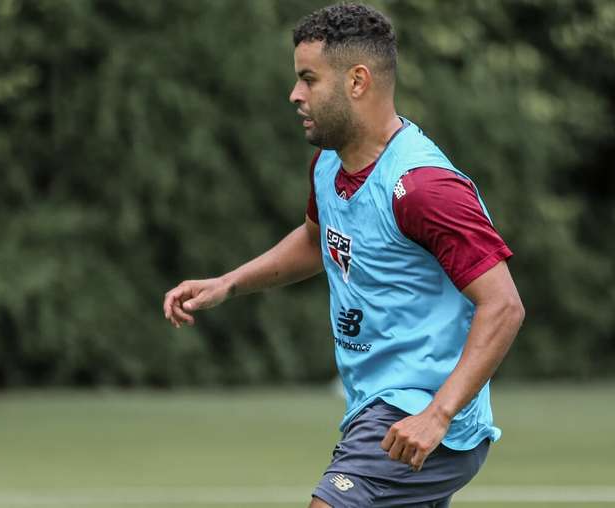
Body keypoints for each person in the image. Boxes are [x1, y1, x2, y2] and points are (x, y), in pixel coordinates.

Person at [163, 3, 524, 507]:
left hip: (425, 416)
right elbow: (316, 240)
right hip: (377, 408)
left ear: (358, 81)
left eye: (308, 79)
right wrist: (230, 283)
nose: (295, 94)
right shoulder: (329, 166)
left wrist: (437, 414)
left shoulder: (423, 188)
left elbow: (504, 305)